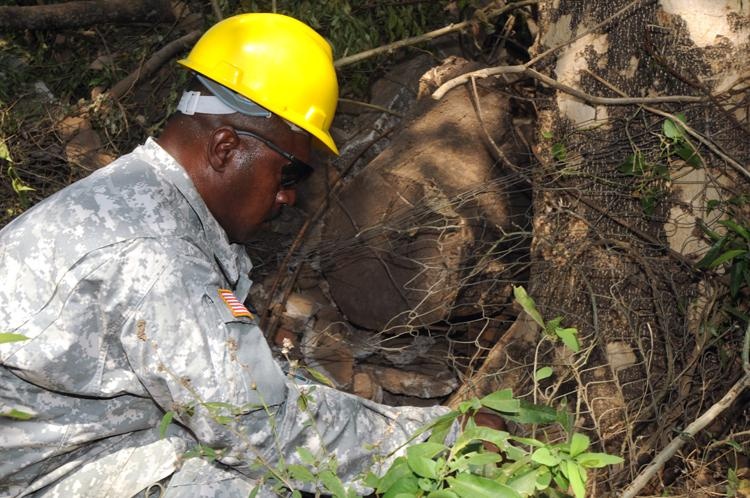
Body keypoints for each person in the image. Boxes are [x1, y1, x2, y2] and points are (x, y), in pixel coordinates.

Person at [0, 13, 455, 498]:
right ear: (225, 146)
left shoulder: (138, 197)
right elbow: (264, 432)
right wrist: (446, 438)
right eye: (291, 173)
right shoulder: (156, 255)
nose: (288, 197)